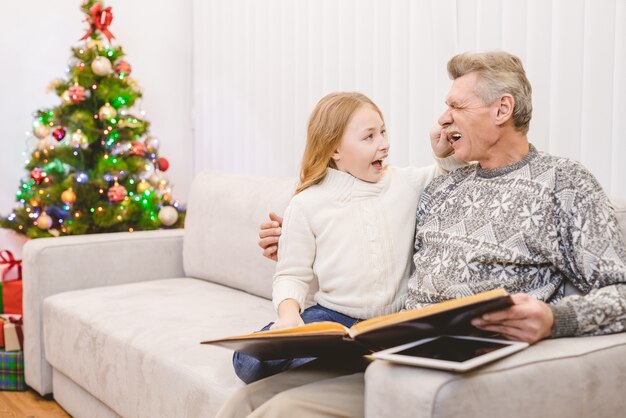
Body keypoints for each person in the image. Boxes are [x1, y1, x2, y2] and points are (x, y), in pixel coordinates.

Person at [218, 51, 626, 418]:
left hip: (457, 369)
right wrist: (293, 240)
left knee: (285, 410)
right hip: (388, 353)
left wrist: (556, 319)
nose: (443, 118)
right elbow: (370, 231)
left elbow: (620, 291)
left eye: (456, 106)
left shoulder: (563, 183)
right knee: (245, 401)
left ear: (502, 109)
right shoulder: (443, 185)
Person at [232, 92, 463, 384]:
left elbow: (450, 174)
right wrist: (289, 316)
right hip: (335, 316)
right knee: (249, 362)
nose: (384, 144)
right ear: (335, 150)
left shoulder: (404, 183)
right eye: (369, 137)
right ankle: (348, 360)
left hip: (393, 322)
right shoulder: (307, 204)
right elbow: (291, 273)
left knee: (339, 359)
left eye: (382, 132)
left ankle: (348, 361)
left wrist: (443, 152)